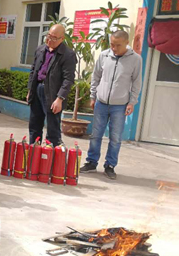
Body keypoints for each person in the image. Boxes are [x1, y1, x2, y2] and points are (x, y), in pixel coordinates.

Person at [80, 30, 142, 180]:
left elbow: (137, 82)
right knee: (96, 135)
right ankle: (91, 162)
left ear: (127, 43)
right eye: (112, 44)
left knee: (115, 138)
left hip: (120, 105)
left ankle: (110, 166)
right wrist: (93, 96)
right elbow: (96, 77)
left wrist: (132, 102)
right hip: (101, 103)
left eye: (118, 45)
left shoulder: (135, 59)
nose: (114, 48)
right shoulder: (104, 55)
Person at [27, 23, 76, 147]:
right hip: (37, 89)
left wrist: (60, 99)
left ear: (62, 39)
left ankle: (51, 154)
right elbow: (33, 71)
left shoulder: (67, 54)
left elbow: (68, 79)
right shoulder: (40, 50)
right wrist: (30, 90)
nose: (49, 40)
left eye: (54, 38)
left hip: (53, 93)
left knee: (52, 129)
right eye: (48, 36)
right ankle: (34, 151)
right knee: (34, 125)